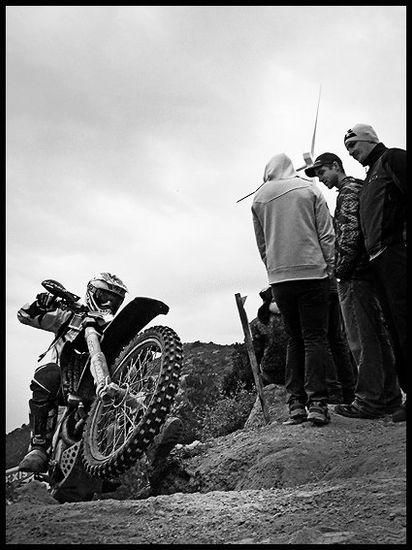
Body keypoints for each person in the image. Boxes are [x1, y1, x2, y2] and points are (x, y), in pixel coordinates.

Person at [17, 272, 183, 474]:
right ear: (91, 294)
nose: (108, 304)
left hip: (99, 386)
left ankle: (154, 436)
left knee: (138, 382)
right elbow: (24, 315)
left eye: (114, 301)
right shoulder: (68, 316)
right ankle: (38, 447)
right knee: (47, 373)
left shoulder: (110, 328)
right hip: (65, 380)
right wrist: (42, 304)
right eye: (104, 297)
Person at [305, 152, 402, 419]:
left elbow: (349, 235)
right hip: (370, 272)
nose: (322, 179)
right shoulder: (362, 186)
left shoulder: (347, 192)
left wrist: (340, 271)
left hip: (355, 275)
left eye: (323, 172)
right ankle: (389, 397)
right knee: (377, 337)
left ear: (336, 166)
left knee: (360, 339)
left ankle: (368, 401)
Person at [252, 153, 335, 426]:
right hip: (313, 272)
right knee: (314, 338)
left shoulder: (259, 198)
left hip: (280, 279)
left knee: (294, 339)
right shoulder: (309, 188)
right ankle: (318, 404)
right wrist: (330, 266)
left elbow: (262, 244)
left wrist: (274, 270)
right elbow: (325, 232)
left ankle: (295, 405)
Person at [343, 125, 407, 422]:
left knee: (405, 323)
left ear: (369, 140)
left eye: (354, 146)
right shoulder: (370, 176)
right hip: (377, 261)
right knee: (395, 329)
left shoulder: (393, 159)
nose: (352, 153)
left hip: (396, 253)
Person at [325, 274, 357, 405]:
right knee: (336, 339)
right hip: (330, 283)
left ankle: (333, 390)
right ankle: (348, 391)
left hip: (316, 283)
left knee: (320, 340)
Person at [250, 287, 286, 386]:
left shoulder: (258, 322)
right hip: (296, 369)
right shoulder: (292, 315)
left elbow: (256, 351)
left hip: (271, 371)